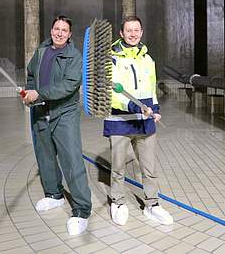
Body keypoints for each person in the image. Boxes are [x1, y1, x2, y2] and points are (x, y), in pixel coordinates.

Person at [22, 15, 92, 235]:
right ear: (51, 30)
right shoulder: (41, 51)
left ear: (70, 34)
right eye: (56, 28)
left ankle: (81, 210)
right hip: (41, 112)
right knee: (45, 155)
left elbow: (68, 85)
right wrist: (28, 94)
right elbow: (31, 74)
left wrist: (39, 94)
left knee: (71, 159)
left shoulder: (73, 56)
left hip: (64, 113)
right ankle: (54, 195)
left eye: (64, 30)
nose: (59, 33)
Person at [103, 16, 173, 226]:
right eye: (129, 30)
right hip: (120, 121)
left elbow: (150, 89)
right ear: (121, 33)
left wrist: (156, 108)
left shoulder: (147, 59)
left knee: (149, 168)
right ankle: (118, 202)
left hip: (145, 122)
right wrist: (134, 107)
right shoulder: (111, 58)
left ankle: (152, 205)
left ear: (141, 32)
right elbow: (111, 92)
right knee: (118, 166)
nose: (133, 34)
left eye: (136, 30)